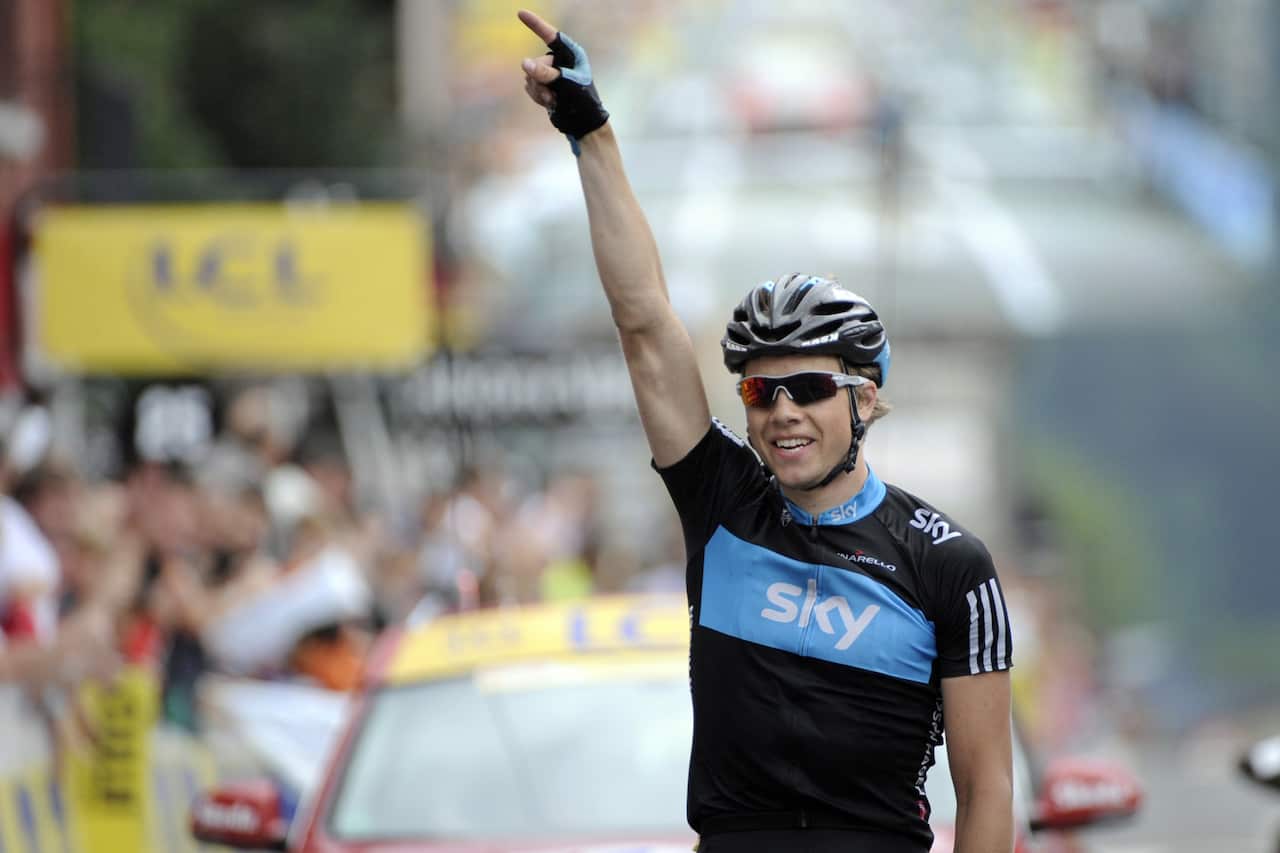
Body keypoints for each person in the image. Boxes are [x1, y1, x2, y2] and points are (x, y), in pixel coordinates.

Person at [518, 11, 1014, 853]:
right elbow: (644, 322)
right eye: (760, 390)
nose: (782, 410)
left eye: (811, 388)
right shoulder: (721, 501)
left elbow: (988, 789)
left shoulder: (948, 564)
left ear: (869, 402)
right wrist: (591, 133)